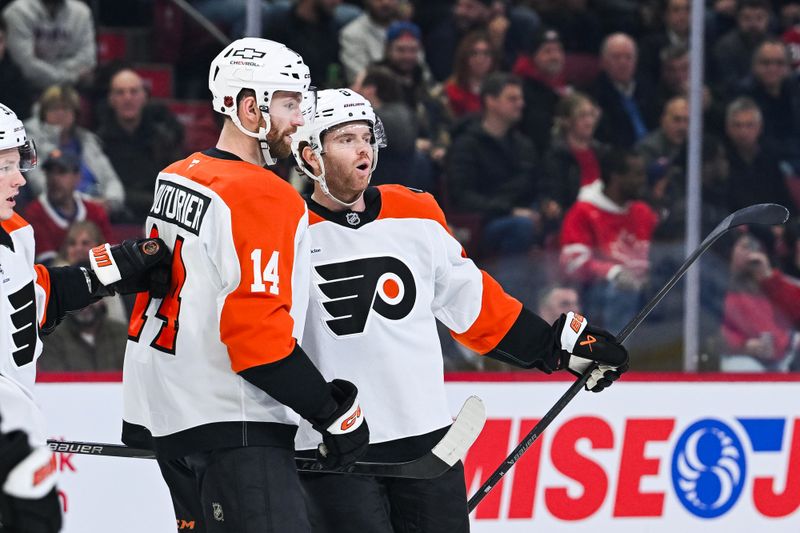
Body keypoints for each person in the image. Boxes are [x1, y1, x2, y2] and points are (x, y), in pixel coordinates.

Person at [290, 88, 629, 533]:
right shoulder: (285, 229)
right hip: (334, 448)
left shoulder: (415, 211)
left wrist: (554, 348)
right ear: (311, 156)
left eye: (367, 137)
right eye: (344, 139)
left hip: (427, 444)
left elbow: (473, 304)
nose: (363, 150)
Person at [120, 38, 370, 533]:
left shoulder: (176, 175)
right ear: (248, 107)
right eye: (289, 104)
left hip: (170, 418)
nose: (300, 119)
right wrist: (332, 412)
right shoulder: (263, 194)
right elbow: (256, 340)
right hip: (233, 425)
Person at [0, 102, 170, 533]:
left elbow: (39, 299)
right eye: (4, 166)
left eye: (18, 164)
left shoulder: (14, 232)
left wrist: (118, 266)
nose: (20, 178)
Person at [560, 147, 659, 333]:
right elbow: (573, 264)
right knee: (623, 289)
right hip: (596, 294)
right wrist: (614, 272)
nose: (643, 181)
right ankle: (614, 356)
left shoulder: (643, 212)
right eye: (637, 175)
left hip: (643, 290)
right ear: (616, 177)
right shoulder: (584, 212)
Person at [96, 68, 185, 223]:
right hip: (118, 217)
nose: (127, 98)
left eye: (134, 92)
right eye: (120, 92)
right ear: (111, 99)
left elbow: (176, 181)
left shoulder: (163, 137)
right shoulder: (99, 141)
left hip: (160, 215)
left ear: (144, 97)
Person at [23, 84, 125, 213]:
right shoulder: (30, 142)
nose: (60, 113)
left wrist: (111, 201)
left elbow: (110, 178)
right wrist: (85, 204)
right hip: (57, 210)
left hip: (99, 208)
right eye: (54, 108)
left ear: (75, 114)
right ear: (43, 113)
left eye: (65, 108)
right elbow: (39, 183)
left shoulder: (88, 140)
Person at [22, 149, 114, 264]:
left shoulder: (95, 210)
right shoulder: (35, 213)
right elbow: (48, 265)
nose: (54, 179)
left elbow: (113, 254)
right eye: (50, 172)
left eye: (62, 172)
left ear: (77, 177)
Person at [1, 0, 96, 91]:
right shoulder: (16, 12)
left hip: (74, 91)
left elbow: (87, 60)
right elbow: (25, 66)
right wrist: (73, 77)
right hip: (28, 90)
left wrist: (49, 70)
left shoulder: (82, 12)